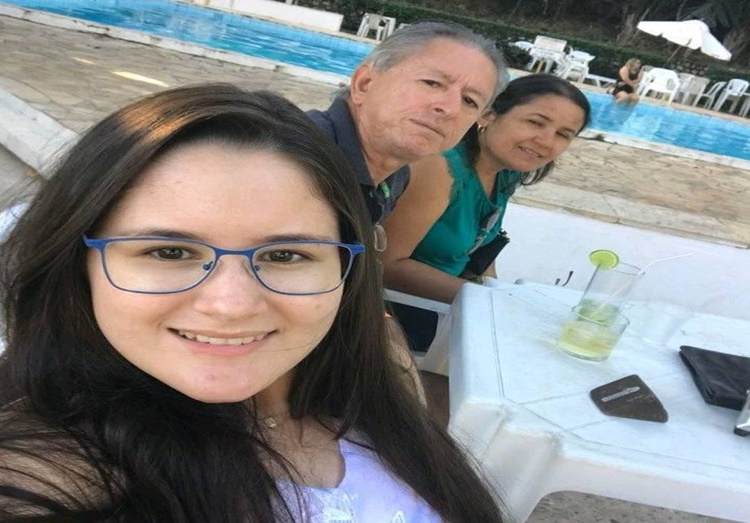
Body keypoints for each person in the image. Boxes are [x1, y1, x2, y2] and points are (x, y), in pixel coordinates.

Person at [0, 84, 506, 521]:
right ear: (78, 264)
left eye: (285, 255)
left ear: (345, 269)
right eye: (169, 251)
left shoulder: (382, 373)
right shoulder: (56, 468)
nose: (232, 305)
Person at [382, 74, 591, 350]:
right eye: (535, 122)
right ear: (488, 114)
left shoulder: (506, 173)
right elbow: (386, 266)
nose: (545, 140)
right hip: (397, 319)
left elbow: (481, 247)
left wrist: (500, 294)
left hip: (448, 312)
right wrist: (491, 300)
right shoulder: (441, 169)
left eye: (563, 134)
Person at [307, 21, 506, 225]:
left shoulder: (395, 178)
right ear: (364, 84)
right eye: (432, 83)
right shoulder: (301, 159)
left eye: (469, 101)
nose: (451, 109)